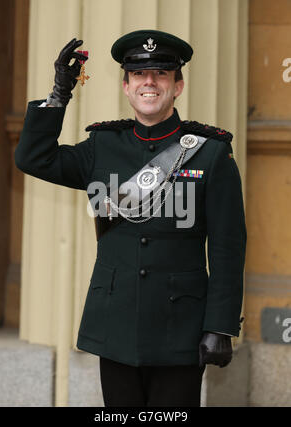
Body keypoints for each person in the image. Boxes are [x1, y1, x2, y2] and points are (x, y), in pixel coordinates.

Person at [15, 30, 247, 407]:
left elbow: (228, 248)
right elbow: (32, 158)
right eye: (139, 74)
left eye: (161, 73)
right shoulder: (102, 147)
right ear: (126, 86)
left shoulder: (211, 154)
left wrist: (219, 325)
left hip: (181, 328)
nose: (149, 82)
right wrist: (59, 94)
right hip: (116, 321)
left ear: (178, 86)